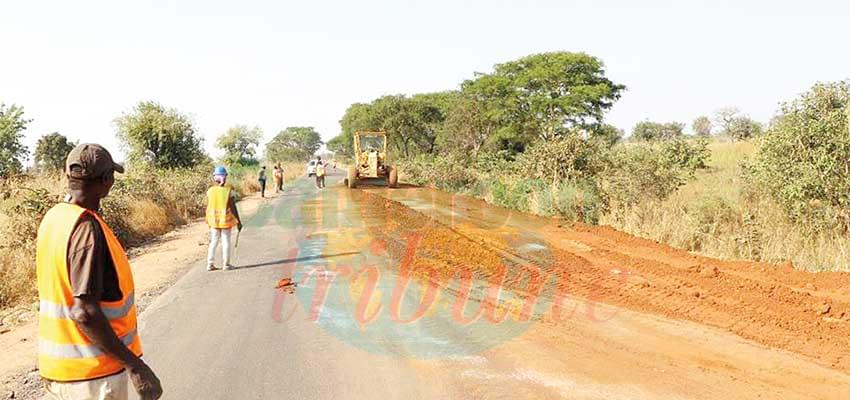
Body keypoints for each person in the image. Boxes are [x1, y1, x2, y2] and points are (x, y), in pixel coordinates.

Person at [36, 144, 163, 400]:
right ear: (106, 181)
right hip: (93, 377)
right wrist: (135, 366)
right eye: (112, 176)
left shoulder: (54, 217)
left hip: (59, 372)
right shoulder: (86, 229)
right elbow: (84, 312)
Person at [206, 167, 243, 271]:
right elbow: (233, 207)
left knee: (213, 242)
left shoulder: (210, 191)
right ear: (225, 177)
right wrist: (238, 221)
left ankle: (210, 264)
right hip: (225, 220)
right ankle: (226, 264)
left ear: (215, 178)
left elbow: (209, 205)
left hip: (213, 220)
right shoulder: (228, 191)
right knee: (226, 241)